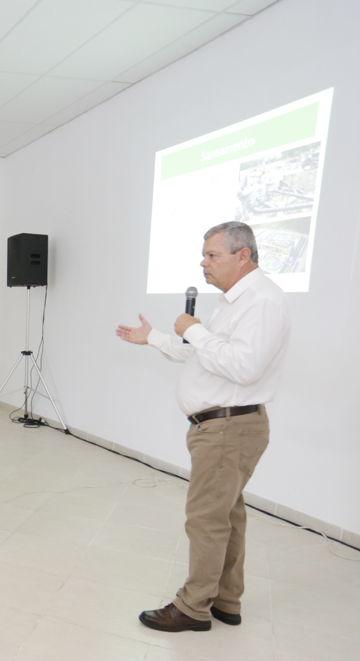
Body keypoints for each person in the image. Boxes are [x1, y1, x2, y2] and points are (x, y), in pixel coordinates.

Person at [116, 221, 290, 632]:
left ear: (243, 255)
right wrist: (156, 338)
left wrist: (192, 329)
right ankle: (225, 600)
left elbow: (243, 367)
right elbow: (204, 354)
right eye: (204, 255)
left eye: (212, 255)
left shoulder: (262, 301)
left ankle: (193, 607)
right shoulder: (235, 302)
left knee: (206, 519)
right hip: (225, 428)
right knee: (226, 516)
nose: (203, 263)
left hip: (229, 429)